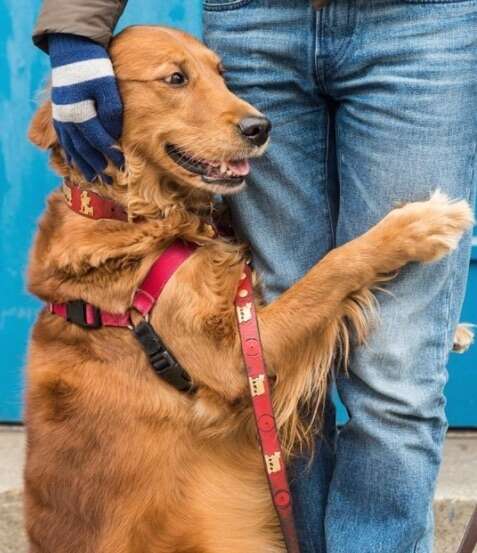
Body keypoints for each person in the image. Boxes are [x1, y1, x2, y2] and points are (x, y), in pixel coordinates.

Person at [32, 1, 477, 551]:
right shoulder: (117, 257)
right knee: (301, 335)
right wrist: (74, 37)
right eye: (175, 80)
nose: (239, 111)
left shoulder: (178, 224)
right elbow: (243, 362)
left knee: (398, 380)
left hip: (423, 19)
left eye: (215, 75)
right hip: (257, 17)